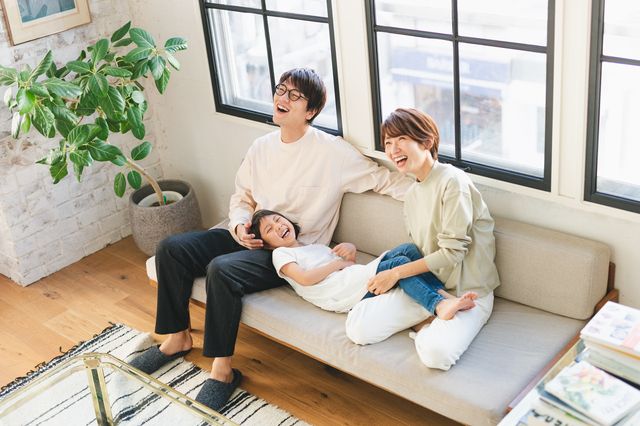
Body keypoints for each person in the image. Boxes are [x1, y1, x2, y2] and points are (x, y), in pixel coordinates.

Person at [129, 68, 412, 410]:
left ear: (311, 111)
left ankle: (222, 371)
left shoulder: (332, 152)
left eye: (294, 95)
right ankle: (178, 337)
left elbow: (385, 181)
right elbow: (242, 197)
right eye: (280, 90)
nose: (282, 98)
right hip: (251, 234)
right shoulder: (261, 147)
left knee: (222, 270)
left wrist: (440, 185)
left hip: (291, 252)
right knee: (170, 249)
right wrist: (239, 227)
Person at [345, 107, 500, 371]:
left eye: (401, 139)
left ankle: (428, 323)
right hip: (431, 287)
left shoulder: (453, 182)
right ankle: (432, 314)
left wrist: (396, 274)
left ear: (427, 142)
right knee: (358, 328)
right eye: (388, 143)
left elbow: (452, 253)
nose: (393, 149)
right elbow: (421, 250)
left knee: (436, 355)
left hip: (469, 292)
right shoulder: (412, 195)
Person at [250, 209, 477, 318]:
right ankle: (438, 306)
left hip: (350, 281)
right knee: (398, 263)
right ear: (267, 244)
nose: (278, 226)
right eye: (269, 229)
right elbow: (305, 279)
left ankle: (445, 296)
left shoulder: (315, 246)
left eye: (278, 220)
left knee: (408, 249)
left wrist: (350, 250)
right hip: (340, 293)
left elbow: (349, 266)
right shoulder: (280, 253)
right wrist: (338, 265)